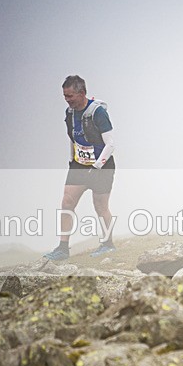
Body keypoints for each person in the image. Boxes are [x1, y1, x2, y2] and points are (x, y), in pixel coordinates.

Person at [44, 75, 117, 260]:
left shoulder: (98, 112)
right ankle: (62, 248)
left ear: (82, 93)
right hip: (79, 165)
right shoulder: (69, 113)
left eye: (70, 96)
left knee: (100, 206)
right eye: (65, 96)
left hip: (102, 165)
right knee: (67, 202)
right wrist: (72, 160)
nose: (67, 100)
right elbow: (73, 139)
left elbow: (111, 144)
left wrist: (97, 165)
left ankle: (108, 244)